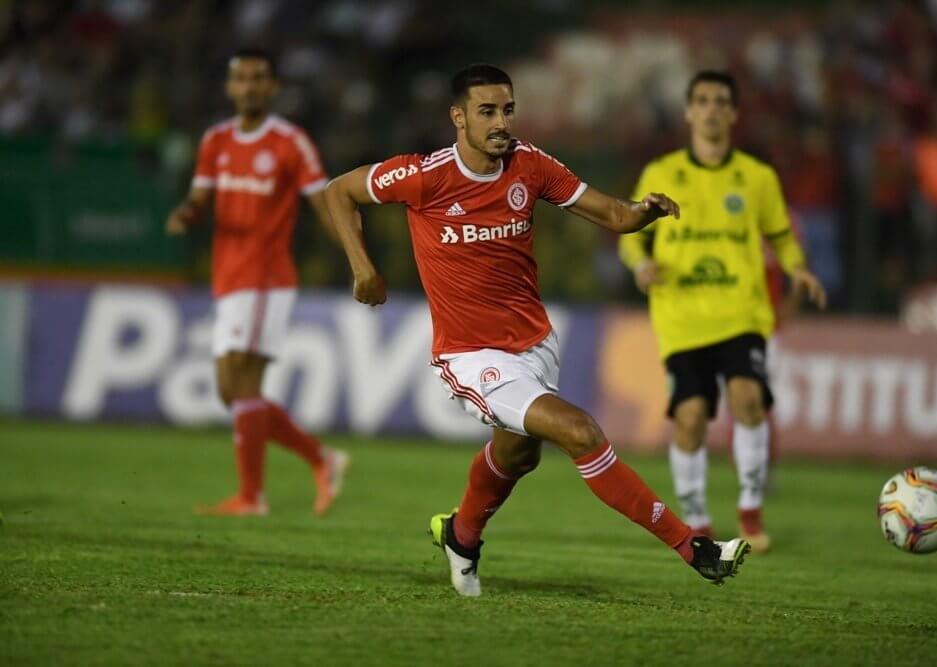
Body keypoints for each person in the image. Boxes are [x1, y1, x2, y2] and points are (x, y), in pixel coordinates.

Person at [323, 64, 750, 597]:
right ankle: (695, 548)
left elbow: (613, 215)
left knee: (519, 455)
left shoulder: (530, 165)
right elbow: (338, 192)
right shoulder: (423, 175)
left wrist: (645, 212)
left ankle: (461, 535)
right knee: (580, 431)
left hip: (534, 344)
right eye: (487, 112)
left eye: (507, 109)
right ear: (458, 118)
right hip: (471, 355)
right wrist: (363, 267)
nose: (501, 121)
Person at [619, 71, 826, 554]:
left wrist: (797, 268)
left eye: (720, 102)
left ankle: (751, 513)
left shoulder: (757, 178)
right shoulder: (661, 173)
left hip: (742, 313)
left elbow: (779, 234)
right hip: (681, 317)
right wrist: (640, 264)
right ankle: (696, 519)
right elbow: (633, 233)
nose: (711, 109)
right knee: (690, 417)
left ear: (733, 114)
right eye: (702, 101)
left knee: (749, 398)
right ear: (689, 112)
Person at [165, 47, 349, 516]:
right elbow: (199, 197)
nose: (248, 86)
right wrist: (187, 214)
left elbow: (323, 201)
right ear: (230, 87)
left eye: (258, 78)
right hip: (227, 278)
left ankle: (253, 496)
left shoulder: (290, 142)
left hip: (267, 279)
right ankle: (319, 458)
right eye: (241, 78)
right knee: (234, 392)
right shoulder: (216, 140)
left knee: (240, 386)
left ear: (272, 87)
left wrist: (355, 256)